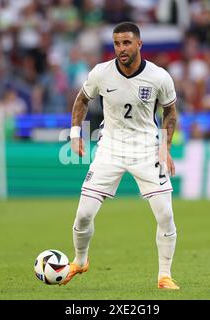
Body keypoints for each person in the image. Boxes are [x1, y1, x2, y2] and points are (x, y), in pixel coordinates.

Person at [63, 22, 179, 290]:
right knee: (83, 215)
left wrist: (165, 147)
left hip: (146, 148)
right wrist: (74, 134)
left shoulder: (159, 76)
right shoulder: (101, 73)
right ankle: (80, 261)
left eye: (126, 43)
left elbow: (170, 112)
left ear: (139, 44)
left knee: (165, 215)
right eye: (117, 44)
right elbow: (82, 99)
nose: (121, 49)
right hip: (110, 148)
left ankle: (164, 276)